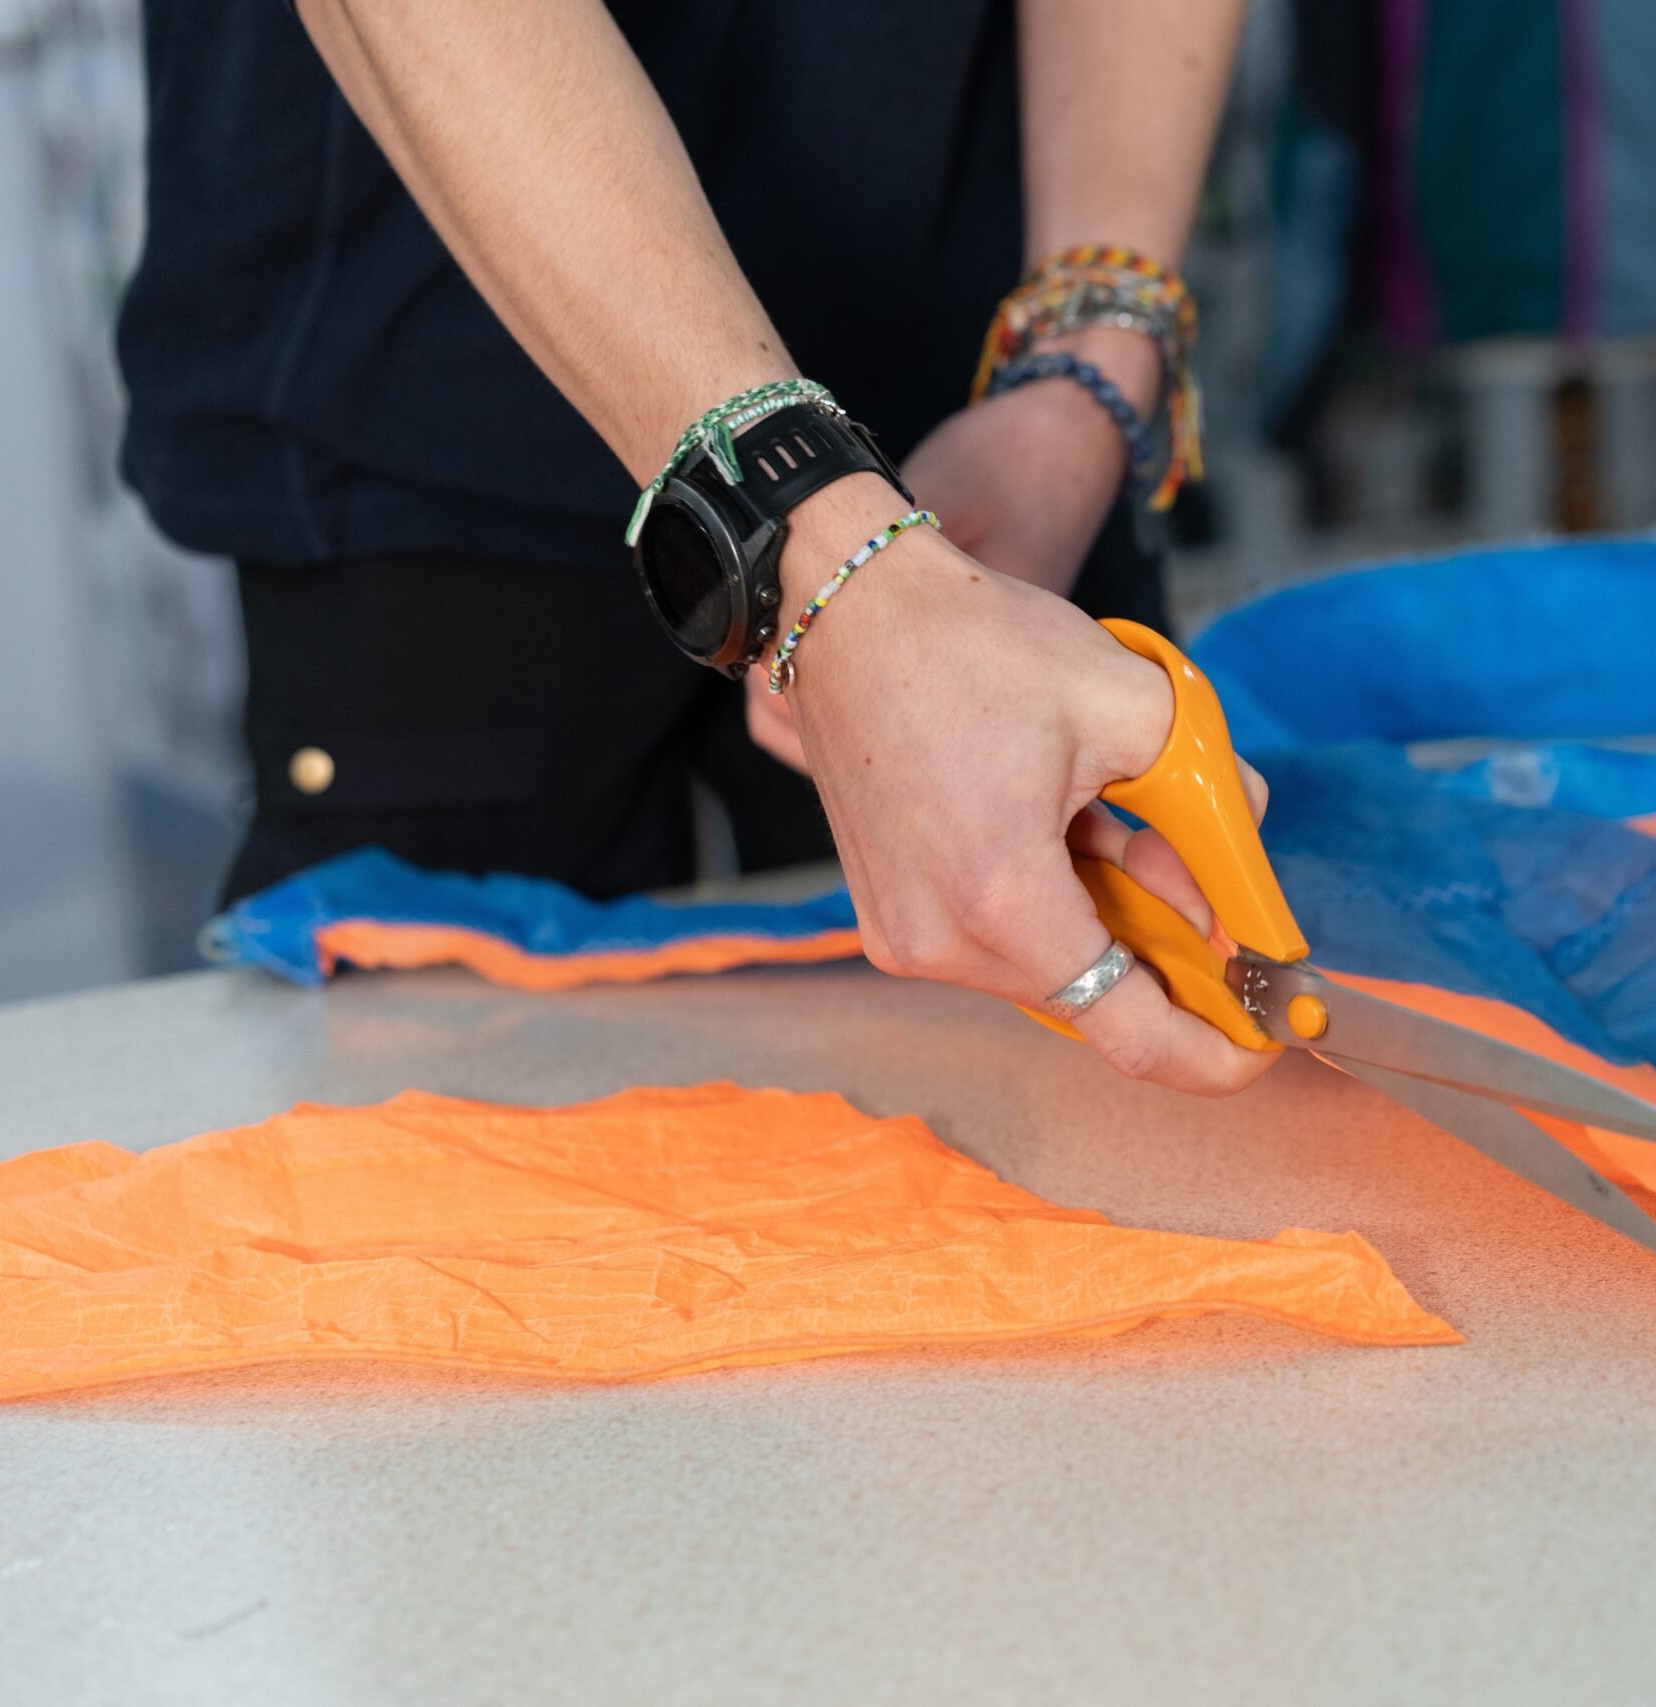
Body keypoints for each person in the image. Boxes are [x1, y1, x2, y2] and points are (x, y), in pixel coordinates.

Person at [117, 1, 1272, 1096]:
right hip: (430, 427)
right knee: (437, 1184)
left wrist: (1085, 371)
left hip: (984, 453)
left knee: (1118, 1132)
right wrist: (824, 541)